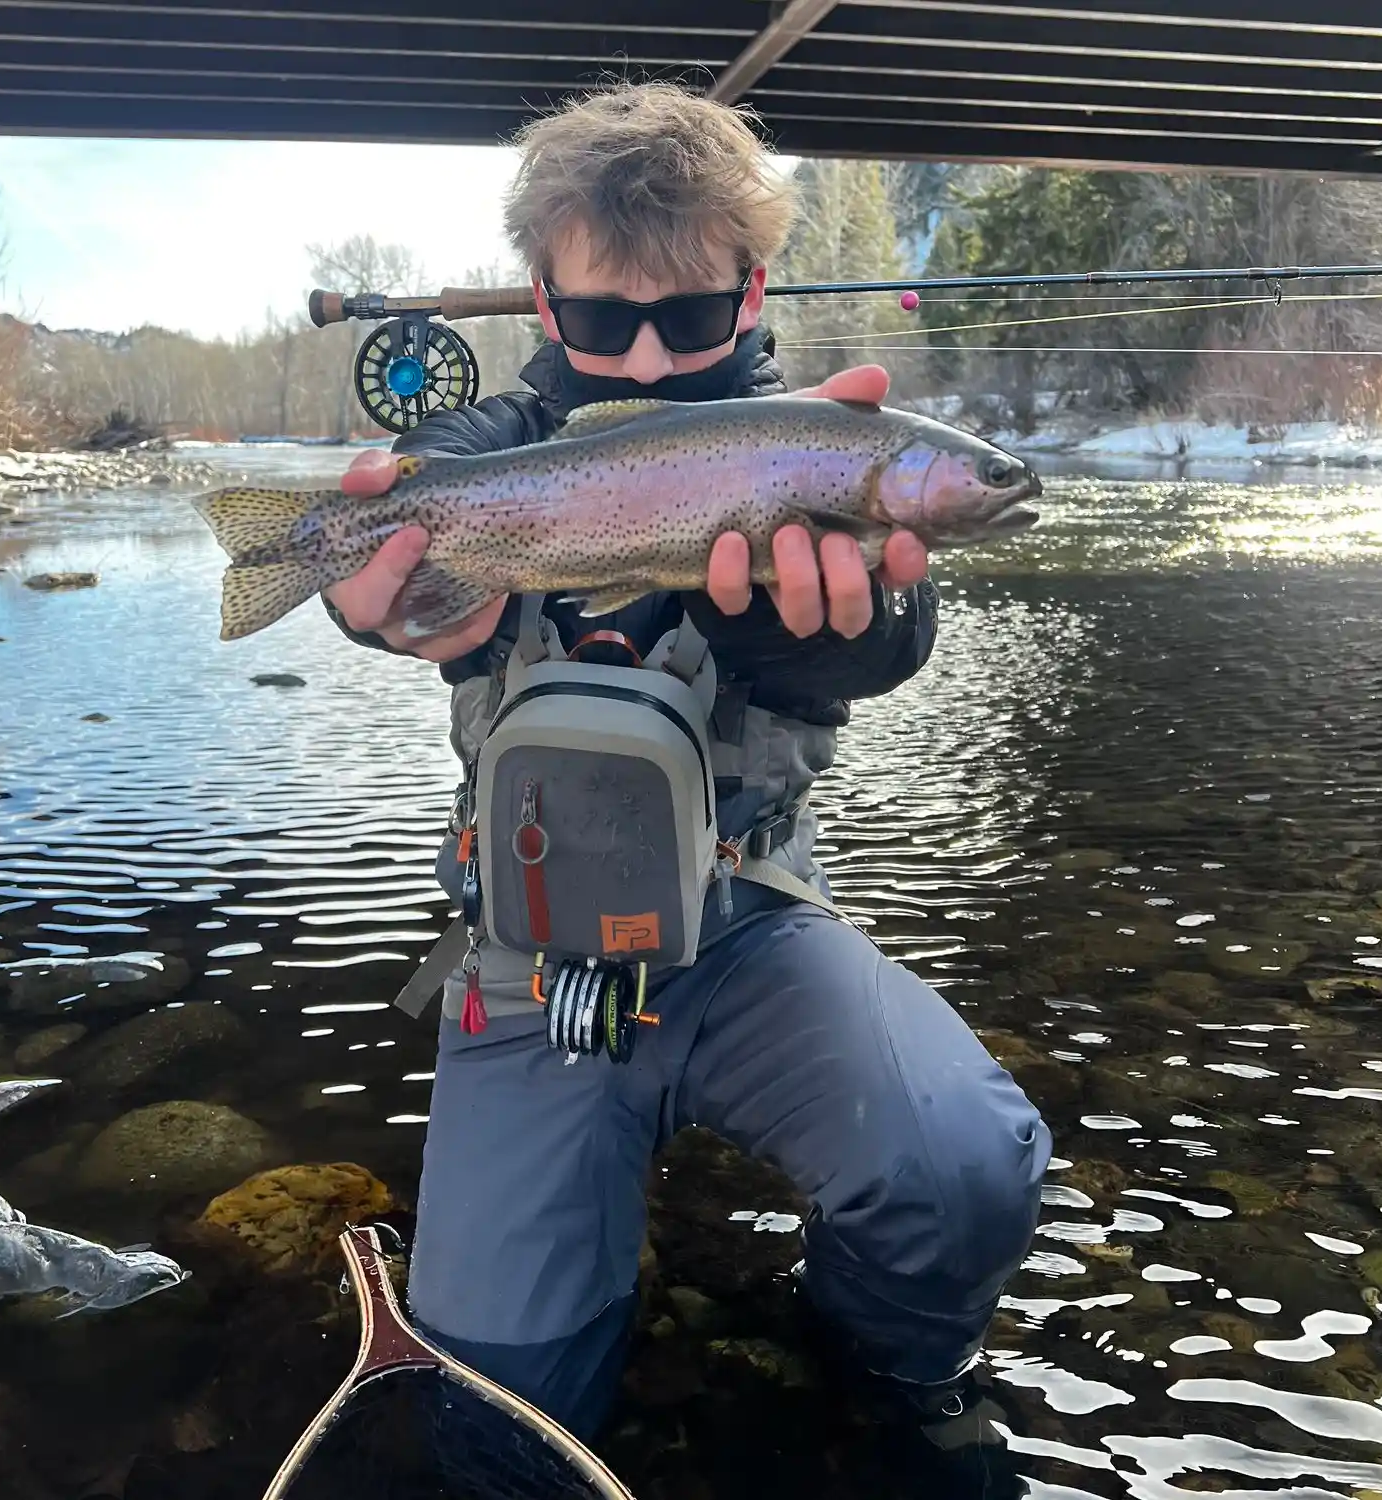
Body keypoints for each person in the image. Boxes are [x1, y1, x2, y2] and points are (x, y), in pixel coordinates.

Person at [320, 81, 1051, 1496]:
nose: (647, 361)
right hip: (525, 954)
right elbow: (409, 536)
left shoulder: (818, 443)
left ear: (752, 290)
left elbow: (890, 645)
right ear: (545, 308)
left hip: (750, 932)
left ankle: (884, 1380)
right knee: (492, 1412)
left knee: (965, 1165)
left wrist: (800, 629)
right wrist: (379, 600)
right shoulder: (491, 452)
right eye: (604, 322)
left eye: (690, 319)